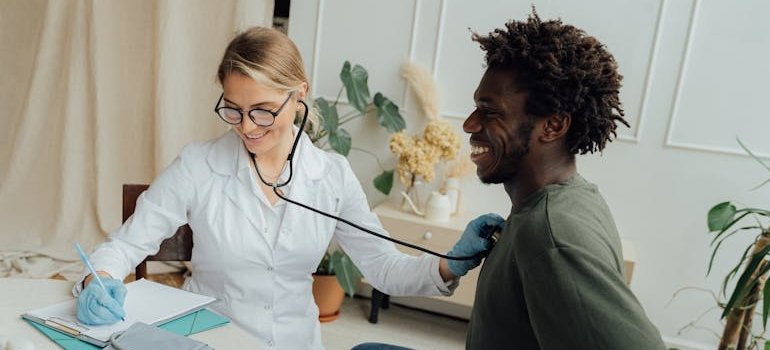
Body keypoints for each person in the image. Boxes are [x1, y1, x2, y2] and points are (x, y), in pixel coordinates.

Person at [72, 26, 502, 349]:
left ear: (299, 95)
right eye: (234, 110)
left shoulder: (330, 176)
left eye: (262, 111)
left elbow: (384, 268)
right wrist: (99, 280)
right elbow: (127, 244)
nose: (246, 127)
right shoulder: (198, 164)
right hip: (210, 340)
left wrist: (450, 264)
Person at [353, 9, 667, 350]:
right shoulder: (570, 198)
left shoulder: (551, 235)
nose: (470, 125)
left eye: (490, 112)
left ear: (553, 126)